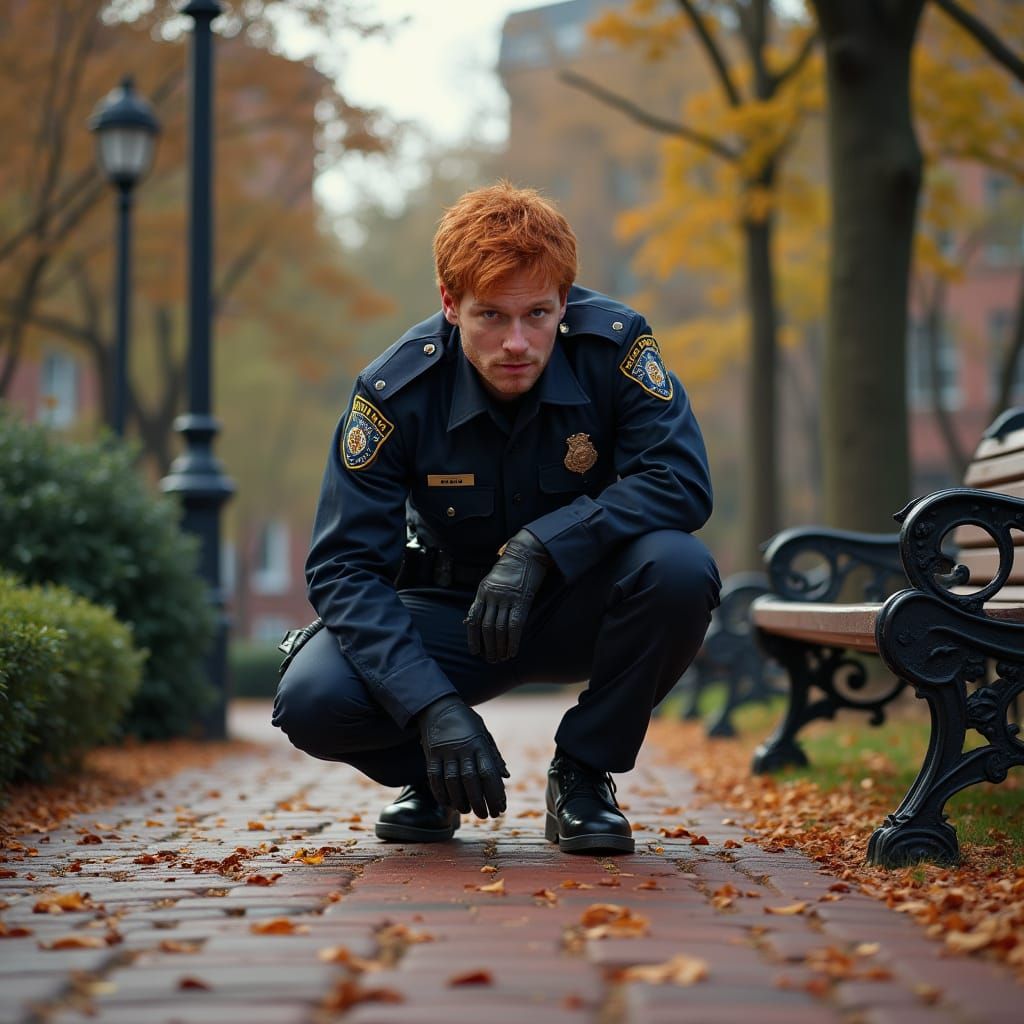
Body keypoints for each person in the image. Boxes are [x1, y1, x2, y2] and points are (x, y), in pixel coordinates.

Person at [272, 182, 720, 854]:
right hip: (453, 619)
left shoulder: (614, 349)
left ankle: (584, 775)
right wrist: (432, 709)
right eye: (490, 316)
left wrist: (542, 546)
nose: (517, 342)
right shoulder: (393, 394)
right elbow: (343, 568)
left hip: (583, 605)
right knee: (311, 699)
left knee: (682, 569)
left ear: (565, 301)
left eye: (538, 313)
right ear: (450, 304)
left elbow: (682, 482)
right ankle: (437, 777)